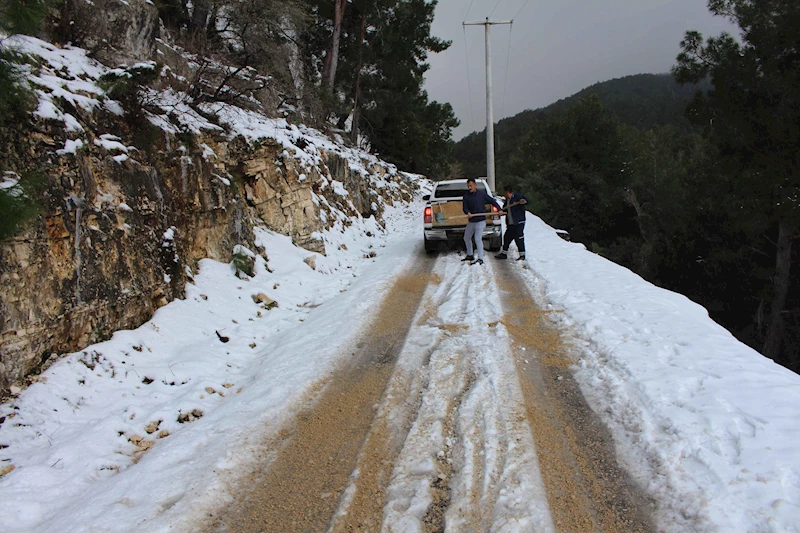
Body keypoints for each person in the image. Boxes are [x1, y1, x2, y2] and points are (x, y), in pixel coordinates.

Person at [462, 178, 502, 265]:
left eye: (471, 185)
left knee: (477, 238)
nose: (469, 187)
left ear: (475, 185)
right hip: (472, 221)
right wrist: (468, 212)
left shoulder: (482, 194)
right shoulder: (466, 196)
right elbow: (465, 208)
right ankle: (470, 254)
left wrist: (499, 209)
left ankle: (480, 258)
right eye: (468, 186)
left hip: (480, 221)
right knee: (466, 237)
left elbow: (492, 201)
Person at [495, 184, 528, 261]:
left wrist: (524, 201)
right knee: (507, 237)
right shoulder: (507, 201)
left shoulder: (518, 197)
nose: (504, 194)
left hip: (519, 222)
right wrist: (501, 212)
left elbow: (527, 201)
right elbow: (504, 209)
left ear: (507, 192)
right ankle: (504, 253)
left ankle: (522, 255)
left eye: (505, 192)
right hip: (510, 223)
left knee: (519, 238)